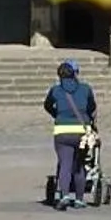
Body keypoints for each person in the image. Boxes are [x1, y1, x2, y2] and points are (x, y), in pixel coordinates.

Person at [43, 58, 99, 208]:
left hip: (62, 132)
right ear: (74, 74)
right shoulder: (86, 89)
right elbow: (92, 107)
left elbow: (47, 105)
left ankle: (65, 195)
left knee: (65, 164)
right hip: (82, 132)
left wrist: (57, 115)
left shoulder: (55, 90)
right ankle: (80, 199)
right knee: (79, 165)